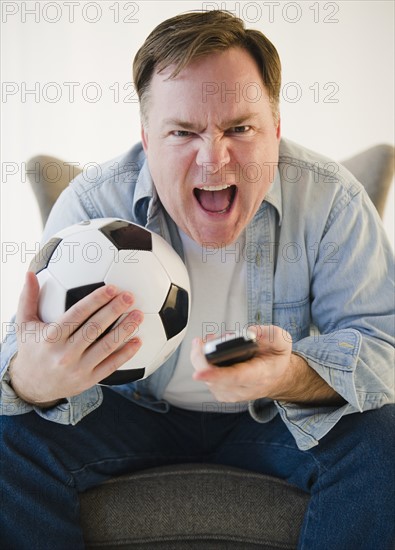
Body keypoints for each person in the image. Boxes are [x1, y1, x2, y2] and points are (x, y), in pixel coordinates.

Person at [1, 10, 394, 549]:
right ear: (146, 136)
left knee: (385, 437)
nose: (214, 159)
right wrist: (33, 380)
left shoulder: (332, 201)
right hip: (130, 416)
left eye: (240, 128)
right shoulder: (93, 205)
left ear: (276, 129)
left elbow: (383, 347)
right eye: (183, 131)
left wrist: (289, 375)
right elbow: (19, 358)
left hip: (276, 419)